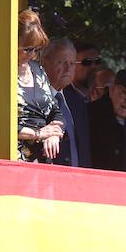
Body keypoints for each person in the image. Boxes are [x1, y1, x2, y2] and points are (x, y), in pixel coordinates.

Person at [15, 10, 64, 163]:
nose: (33, 55)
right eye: (28, 49)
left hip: (42, 160)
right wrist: (38, 133)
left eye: (37, 49)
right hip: (16, 158)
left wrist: (54, 133)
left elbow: (55, 109)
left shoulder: (37, 69)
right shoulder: (1, 74)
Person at [41, 38, 92, 168]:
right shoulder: (35, 98)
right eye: (62, 62)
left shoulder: (78, 102)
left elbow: (84, 149)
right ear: (44, 63)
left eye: (72, 63)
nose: (68, 68)